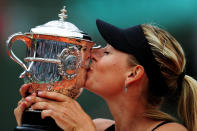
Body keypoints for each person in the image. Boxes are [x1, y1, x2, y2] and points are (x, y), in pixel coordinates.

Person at [14, 19, 197, 131]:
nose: (91, 54)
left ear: (133, 74)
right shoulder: (98, 126)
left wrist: (83, 129)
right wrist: (34, 123)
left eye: (107, 52)